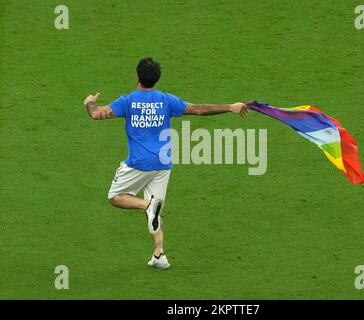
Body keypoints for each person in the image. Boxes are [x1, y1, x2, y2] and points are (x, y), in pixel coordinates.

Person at [84, 57, 248, 269]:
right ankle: (159, 253)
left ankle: (147, 205)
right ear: (156, 79)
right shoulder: (166, 100)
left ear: (137, 77)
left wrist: (89, 101)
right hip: (163, 164)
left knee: (115, 197)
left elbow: (97, 114)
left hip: (138, 164)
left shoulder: (128, 101)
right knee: (155, 212)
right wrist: (230, 107)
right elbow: (199, 109)